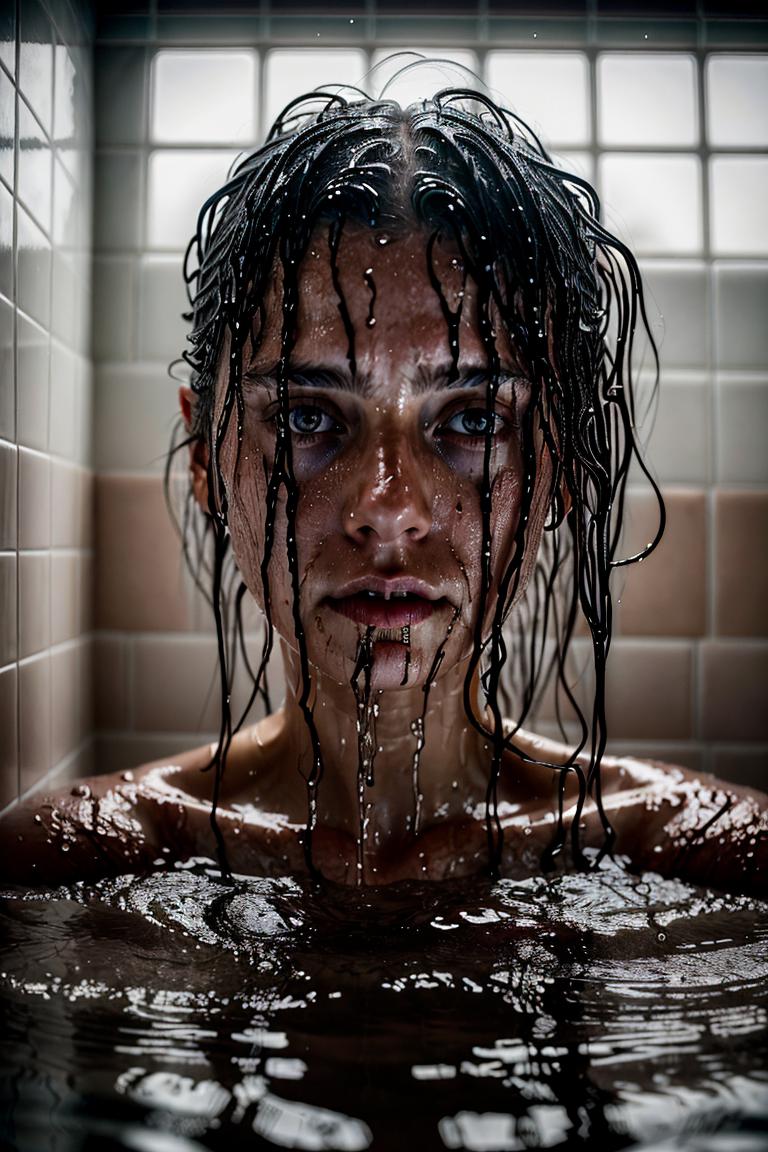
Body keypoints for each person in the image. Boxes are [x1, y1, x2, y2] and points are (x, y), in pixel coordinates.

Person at [1, 90, 765, 892]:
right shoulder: (67, 869)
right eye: (305, 415)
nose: (389, 506)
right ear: (204, 456)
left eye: (473, 420)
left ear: (564, 464)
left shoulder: (704, 861)